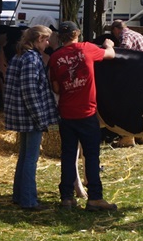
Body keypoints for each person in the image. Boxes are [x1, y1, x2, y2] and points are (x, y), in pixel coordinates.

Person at [48, 21, 117, 212]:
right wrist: (109, 46)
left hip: (66, 113)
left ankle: (66, 198)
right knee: (92, 155)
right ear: (77, 33)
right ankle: (95, 198)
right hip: (87, 112)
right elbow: (110, 55)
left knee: (69, 156)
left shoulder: (55, 58)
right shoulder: (87, 49)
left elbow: (55, 88)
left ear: (60, 38)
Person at [4, 25, 59, 211]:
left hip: (22, 116)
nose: (47, 43)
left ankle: (19, 196)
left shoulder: (20, 56)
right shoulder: (31, 59)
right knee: (30, 159)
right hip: (30, 117)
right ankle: (29, 201)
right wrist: (40, 118)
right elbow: (30, 91)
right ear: (36, 40)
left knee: (24, 156)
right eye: (45, 40)